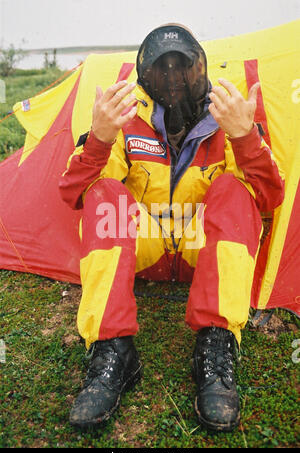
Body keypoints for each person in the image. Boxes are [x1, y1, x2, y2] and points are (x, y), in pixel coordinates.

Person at [59, 24, 284, 432]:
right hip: (148, 246)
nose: (174, 79)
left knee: (236, 190)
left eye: (182, 69)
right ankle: (113, 348)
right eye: (163, 71)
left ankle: (216, 342)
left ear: (200, 70)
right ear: (147, 77)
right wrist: (100, 137)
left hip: (204, 246)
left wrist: (245, 136)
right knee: (106, 192)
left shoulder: (228, 113)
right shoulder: (125, 115)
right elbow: (75, 193)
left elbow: (268, 197)